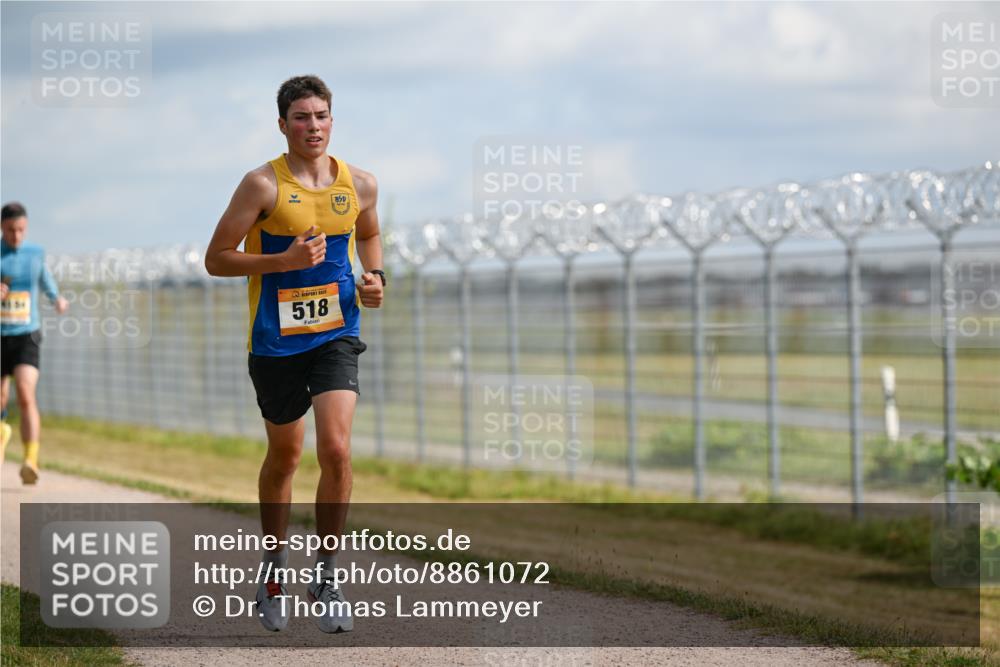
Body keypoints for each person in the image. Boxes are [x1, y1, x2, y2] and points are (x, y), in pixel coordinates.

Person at [204, 75, 384, 633]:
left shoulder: (361, 184)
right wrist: (281, 263)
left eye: (322, 115)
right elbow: (216, 258)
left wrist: (374, 277)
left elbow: (369, 235)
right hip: (276, 342)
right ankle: (274, 568)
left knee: (335, 448)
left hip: (336, 333)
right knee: (285, 458)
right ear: (283, 125)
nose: (313, 126)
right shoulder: (261, 186)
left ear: (333, 120)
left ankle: (327, 574)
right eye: (302, 117)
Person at [0, 202, 69, 484]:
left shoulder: (35, 253)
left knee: (26, 394)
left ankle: (30, 459)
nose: (16, 236)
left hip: (27, 334)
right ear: (2, 229)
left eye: (20, 230)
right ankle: (3, 430)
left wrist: (57, 299)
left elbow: (45, 280)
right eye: (10, 230)